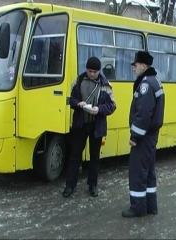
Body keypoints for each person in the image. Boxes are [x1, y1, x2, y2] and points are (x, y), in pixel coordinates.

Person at [62, 56, 116, 198]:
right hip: (80, 124)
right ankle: (70, 186)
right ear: (86, 69)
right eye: (89, 71)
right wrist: (77, 104)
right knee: (75, 156)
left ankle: (93, 185)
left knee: (95, 158)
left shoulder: (105, 84)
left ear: (99, 71)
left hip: (96, 125)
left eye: (94, 71)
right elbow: (70, 99)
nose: (91, 74)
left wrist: (99, 109)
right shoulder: (78, 81)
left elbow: (112, 105)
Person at [122, 51, 165, 218]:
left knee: (138, 171)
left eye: (135, 65)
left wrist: (135, 136)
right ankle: (150, 205)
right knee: (148, 172)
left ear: (143, 65)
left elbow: (143, 114)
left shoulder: (146, 84)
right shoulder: (155, 81)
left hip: (144, 137)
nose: (133, 68)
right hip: (151, 136)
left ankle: (138, 208)